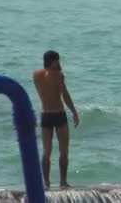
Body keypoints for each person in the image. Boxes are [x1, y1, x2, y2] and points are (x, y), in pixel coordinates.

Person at [33, 50, 79, 190]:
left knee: (46, 151)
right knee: (63, 151)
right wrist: (74, 112)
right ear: (54, 61)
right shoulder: (58, 75)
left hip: (45, 114)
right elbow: (64, 94)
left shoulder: (36, 75)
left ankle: (46, 183)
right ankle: (63, 182)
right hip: (59, 114)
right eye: (57, 60)